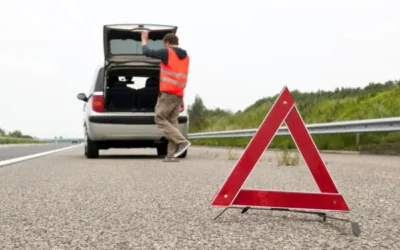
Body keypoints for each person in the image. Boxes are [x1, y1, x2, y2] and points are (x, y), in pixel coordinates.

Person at [141, 30, 191, 162]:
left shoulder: (168, 52)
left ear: (167, 43)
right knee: (172, 122)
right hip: (178, 93)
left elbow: (147, 52)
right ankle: (171, 155)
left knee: (160, 119)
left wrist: (144, 40)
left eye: (164, 45)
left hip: (168, 93)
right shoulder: (185, 57)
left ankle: (182, 142)